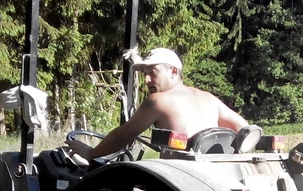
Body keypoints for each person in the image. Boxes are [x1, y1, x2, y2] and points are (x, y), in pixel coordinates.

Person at [66, 47, 257, 162]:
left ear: (173, 72)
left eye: (153, 72)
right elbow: (243, 128)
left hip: (180, 180)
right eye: (144, 74)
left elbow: (122, 136)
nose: (147, 80)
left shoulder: (158, 101)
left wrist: (91, 153)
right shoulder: (207, 97)